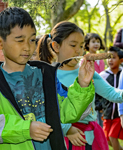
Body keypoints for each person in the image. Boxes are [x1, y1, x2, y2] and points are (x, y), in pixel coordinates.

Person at [0, 7, 96, 150]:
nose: (27, 47)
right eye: (20, 40)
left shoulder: (46, 75)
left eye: (32, 40)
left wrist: (82, 85)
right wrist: (26, 129)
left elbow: (66, 113)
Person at [37, 21, 123, 150]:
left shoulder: (87, 72)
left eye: (82, 45)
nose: (78, 50)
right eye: (73, 45)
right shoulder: (47, 75)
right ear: (56, 46)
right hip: (62, 140)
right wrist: (67, 129)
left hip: (90, 137)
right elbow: (44, 112)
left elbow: (112, 94)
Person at [98, 46, 123, 150]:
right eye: (108, 57)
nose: (110, 60)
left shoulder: (122, 73)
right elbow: (96, 94)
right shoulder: (102, 75)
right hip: (107, 114)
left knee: (113, 137)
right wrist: (98, 106)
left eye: (113, 57)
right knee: (107, 138)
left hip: (118, 114)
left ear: (121, 60)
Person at [84, 33, 106, 128]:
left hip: (100, 91)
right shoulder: (85, 59)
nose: (96, 44)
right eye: (93, 42)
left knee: (101, 114)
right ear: (87, 44)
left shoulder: (101, 60)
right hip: (90, 91)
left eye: (98, 41)